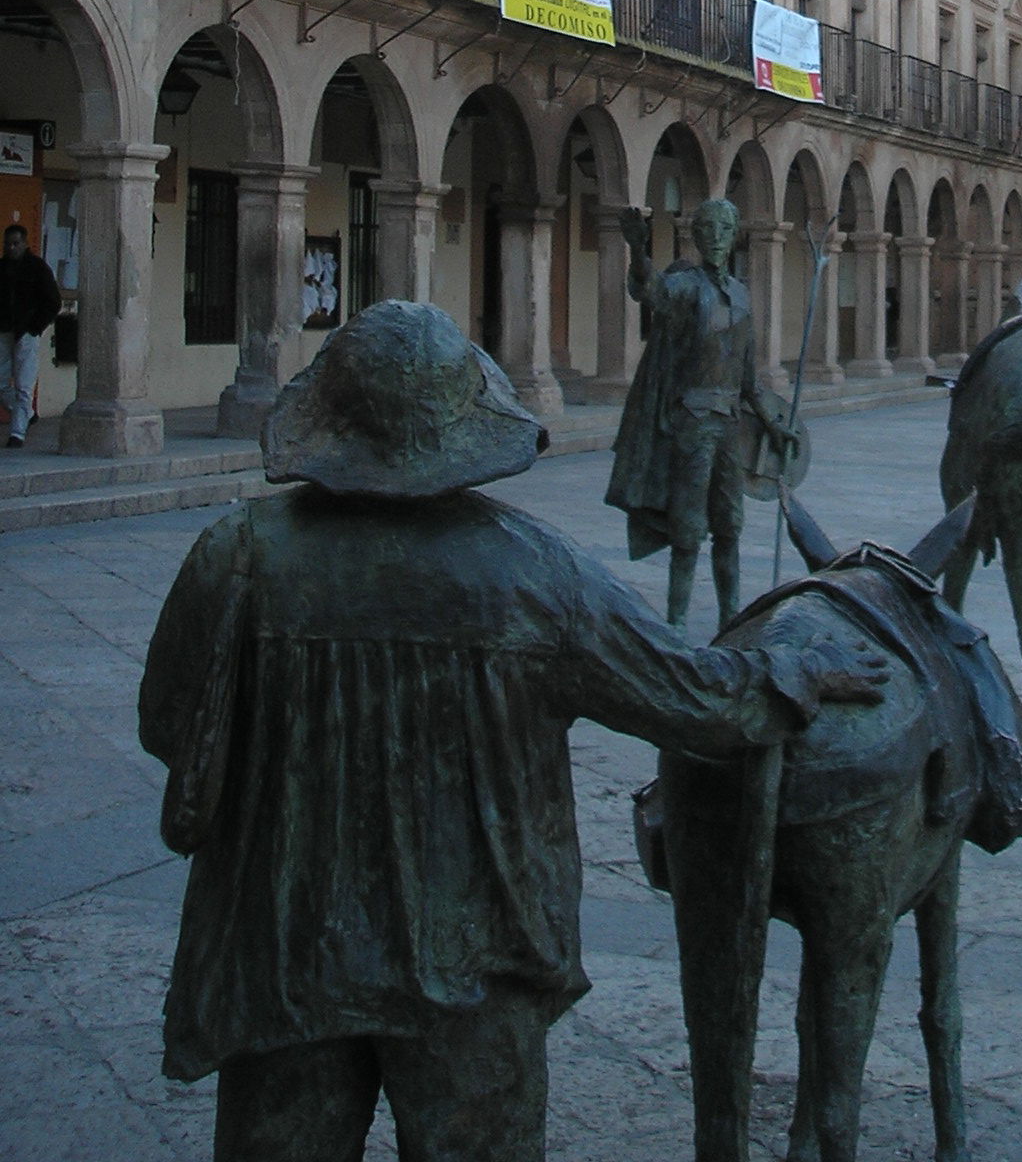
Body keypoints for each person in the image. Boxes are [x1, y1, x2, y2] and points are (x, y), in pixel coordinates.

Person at [138, 300, 882, 1162]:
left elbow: (171, 728)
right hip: (475, 967)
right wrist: (796, 670)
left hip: (282, 956)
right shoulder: (534, 572)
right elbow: (698, 703)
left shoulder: (237, 556)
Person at [606, 196, 794, 632]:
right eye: (706, 230)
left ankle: (731, 618)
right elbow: (649, 292)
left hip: (729, 422)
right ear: (695, 236)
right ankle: (676, 623)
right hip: (692, 421)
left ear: (734, 236)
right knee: (688, 529)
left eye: (724, 230)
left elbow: (749, 380)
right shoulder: (688, 287)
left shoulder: (742, 294)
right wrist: (639, 250)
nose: (715, 238)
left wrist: (774, 425)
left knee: (730, 524)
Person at [0, 222, 60, 447]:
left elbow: (53, 301)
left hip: (27, 331)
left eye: (16, 244)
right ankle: (24, 413)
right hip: (4, 330)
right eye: (8, 244)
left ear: (25, 244)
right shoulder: (2, 268)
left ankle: (17, 433)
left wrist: (35, 327)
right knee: (1, 382)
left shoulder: (37, 268)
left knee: (24, 384)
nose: (11, 248)